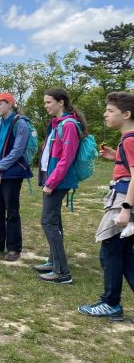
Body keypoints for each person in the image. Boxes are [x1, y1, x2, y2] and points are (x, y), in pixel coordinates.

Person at [78, 92, 134, 320]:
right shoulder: (127, 140)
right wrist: (116, 156)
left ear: (127, 114)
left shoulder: (130, 139)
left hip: (123, 200)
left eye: (110, 111)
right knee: (125, 256)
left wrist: (126, 209)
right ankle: (111, 302)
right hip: (123, 198)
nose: (105, 114)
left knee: (109, 251)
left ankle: (111, 304)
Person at [34, 88, 87, 284]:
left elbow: (66, 158)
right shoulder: (57, 124)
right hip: (53, 178)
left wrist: (51, 182)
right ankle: (53, 261)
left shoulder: (69, 125)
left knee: (48, 222)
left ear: (61, 102)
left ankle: (62, 272)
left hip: (59, 181)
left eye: (49, 102)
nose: (46, 105)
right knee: (54, 221)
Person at [0, 92, 32, 262]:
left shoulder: (21, 123)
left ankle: (14, 248)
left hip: (11, 173)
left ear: (10, 104)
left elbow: (18, 151)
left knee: (12, 211)